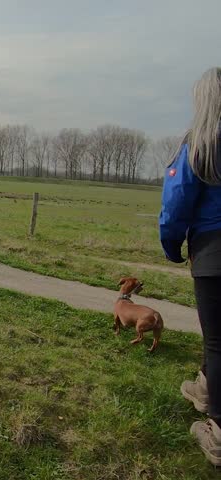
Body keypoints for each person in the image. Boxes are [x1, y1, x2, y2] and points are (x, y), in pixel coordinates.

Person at [160, 66, 221, 466]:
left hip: (215, 250)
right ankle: (205, 387)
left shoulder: (199, 144)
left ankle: (217, 432)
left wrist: (171, 245)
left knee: (217, 341)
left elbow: (177, 201)